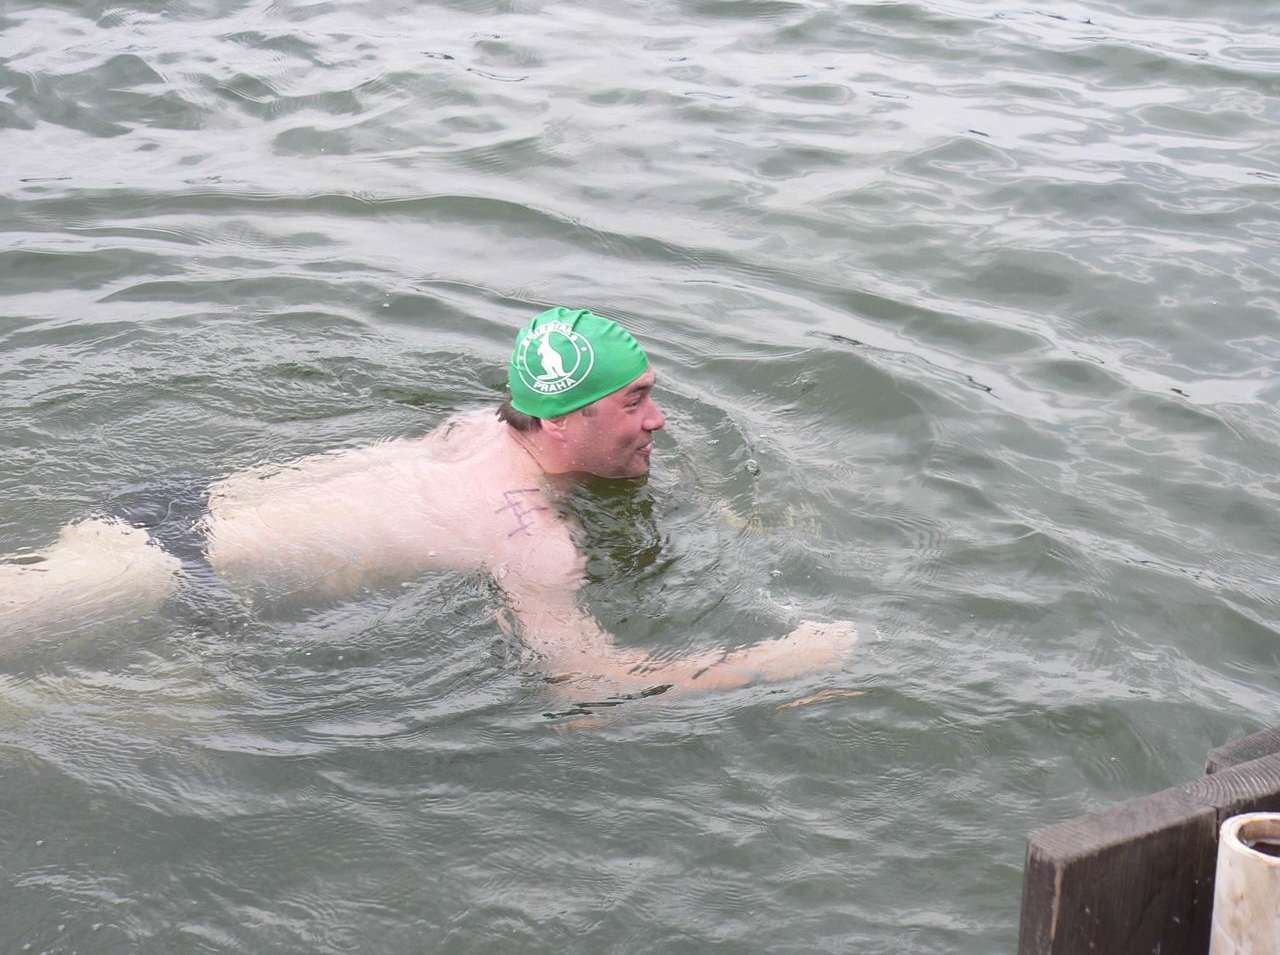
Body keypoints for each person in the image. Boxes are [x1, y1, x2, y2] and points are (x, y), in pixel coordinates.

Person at [1, 307, 856, 690]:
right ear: (563, 422)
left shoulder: (478, 427)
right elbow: (589, 690)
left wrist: (728, 508)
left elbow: (616, 457)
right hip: (173, 573)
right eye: (635, 402)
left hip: (170, 507)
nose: (659, 420)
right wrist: (777, 662)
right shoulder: (532, 539)